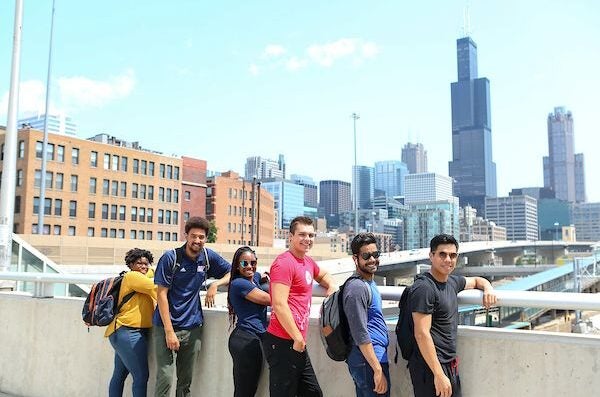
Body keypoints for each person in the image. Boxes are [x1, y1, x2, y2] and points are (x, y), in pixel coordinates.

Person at [409, 234, 497, 397]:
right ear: (431, 256)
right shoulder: (424, 289)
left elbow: (477, 281)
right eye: (442, 254)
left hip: (449, 365)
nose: (448, 259)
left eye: (452, 255)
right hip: (430, 368)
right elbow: (422, 334)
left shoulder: (451, 282)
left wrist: (488, 288)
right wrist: (438, 374)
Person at [153, 216, 231, 397]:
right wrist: (169, 331)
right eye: (193, 236)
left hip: (193, 327)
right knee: (165, 378)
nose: (197, 240)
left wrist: (215, 284)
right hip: (166, 326)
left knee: (185, 381)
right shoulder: (170, 258)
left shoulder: (207, 256)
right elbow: (161, 295)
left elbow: (232, 271)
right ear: (186, 235)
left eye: (201, 237)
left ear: (206, 238)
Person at [263, 216, 336, 397]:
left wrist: (332, 286)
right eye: (302, 234)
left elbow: (323, 275)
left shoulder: (307, 262)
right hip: (282, 341)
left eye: (311, 235)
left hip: (297, 342)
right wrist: (296, 337)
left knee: (313, 393)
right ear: (291, 237)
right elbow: (279, 305)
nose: (307, 239)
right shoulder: (283, 263)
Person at [105, 248, 157, 397]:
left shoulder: (141, 275)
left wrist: (151, 270)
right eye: (139, 263)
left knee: (119, 375)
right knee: (141, 377)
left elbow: (151, 273)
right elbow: (156, 287)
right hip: (129, 332)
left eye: (146, 263)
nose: (143, 266)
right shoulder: (133, 276)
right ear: (131, 264)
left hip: (121, 331)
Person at [343, 233, 389, 396]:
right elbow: (359, 332)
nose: (372, 259)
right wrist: (377, 370)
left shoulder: (369, 283)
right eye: (366, 255)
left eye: (375, 254)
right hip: (367, 362)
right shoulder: (357, 288)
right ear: (356, 258)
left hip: (371, 360)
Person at [227, 246, 271, 397]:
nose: (249, 266)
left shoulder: (254, 279)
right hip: (245, 339)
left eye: (253, 262)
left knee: (249, 389)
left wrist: (267, 276)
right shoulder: (239, 284)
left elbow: (259, 275)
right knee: (244, 391)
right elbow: (270, 299)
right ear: (237, 266)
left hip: (253, 338)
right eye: (244, 263)